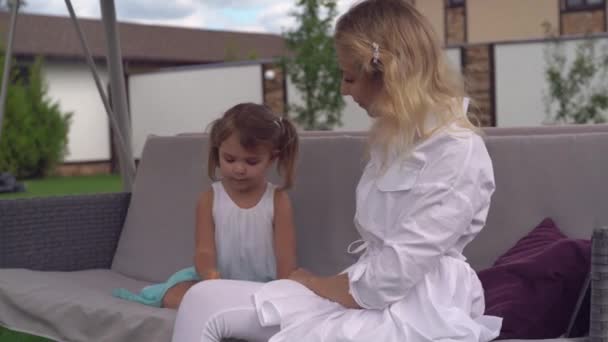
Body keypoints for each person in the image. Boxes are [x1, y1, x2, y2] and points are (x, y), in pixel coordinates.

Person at [171, 0, 503, 341]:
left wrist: (315, 284)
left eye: (349, 77)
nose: (344, 90)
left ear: (388, 74)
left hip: (419, 308)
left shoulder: (455, 151)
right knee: (201, 299)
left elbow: (392, 274)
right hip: (363, 290)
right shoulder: (396, 141)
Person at [113, 103, 299, 310]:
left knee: (295, 287)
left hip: (264, 285)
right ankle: (231, 305)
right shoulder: (209, 199)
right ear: (217, 152)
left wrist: (282, 291)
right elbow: (204, 251)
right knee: (174, 293)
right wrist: (210, 275)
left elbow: (286, 257)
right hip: (217, 282)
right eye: (229, 159)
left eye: (251, 162)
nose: (239, 169)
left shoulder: (277, 200)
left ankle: (239, 306)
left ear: (272, 158)